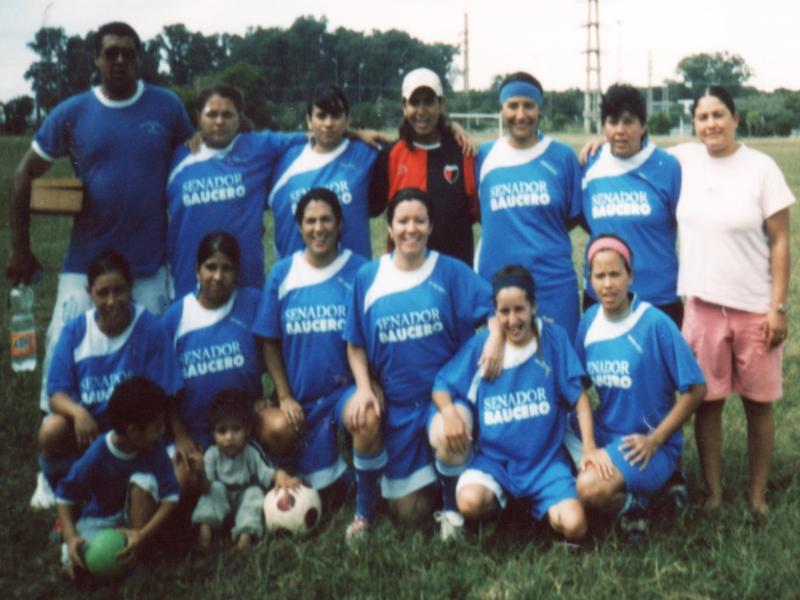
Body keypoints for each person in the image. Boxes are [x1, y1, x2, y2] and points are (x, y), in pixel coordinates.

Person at [8, 22, 193, 422]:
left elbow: (197, 160)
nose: (120, 60)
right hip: (85, 264)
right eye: (111, 53)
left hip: (148, 265)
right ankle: (58, 443)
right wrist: (20, 249)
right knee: (64, 357)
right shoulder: (73, 112)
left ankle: (154, 440)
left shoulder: (167, 107)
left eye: (129, 53)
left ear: (140, 58)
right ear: (96, 58)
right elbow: (23, 174)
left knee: (154, 361)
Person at [342, 187, 503, 540]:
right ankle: (365, 511)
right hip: (398, 407)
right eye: (403, 221)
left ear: (431, 226)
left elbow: (496, 305)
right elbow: (354, 343)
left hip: (443, 400)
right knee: (410, 514)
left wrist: (494, 335)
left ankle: (451, 510)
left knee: (449, 433)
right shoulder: (369, 277)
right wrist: (365, 388)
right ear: (389, 228)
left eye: (419, 221)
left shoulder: (450, 271)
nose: (411, 229)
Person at [671, 86, 794, 514]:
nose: (711, 124)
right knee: (707, 402)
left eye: (719, 114)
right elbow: (633, 151)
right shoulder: (683, 160)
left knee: (759, 404)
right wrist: (595, 144)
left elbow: (781, 242)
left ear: (736, 118)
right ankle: (714, 493)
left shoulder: (762, 168)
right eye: (703, 117)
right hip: (702, 306)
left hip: (755, 308)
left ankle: (757, 495)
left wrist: (778, 307)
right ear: (694, 124)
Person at [431, 265, 594, 543]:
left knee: (576, 525)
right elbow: (441, 385)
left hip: (544, 463)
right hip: (496, 462)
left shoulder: (553, 339)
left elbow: (579, 397)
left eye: (519, 309)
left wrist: (589, 447)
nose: (513, 319)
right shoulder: (483, 346)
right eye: (504, 312)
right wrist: (449, 413)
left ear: (533, 307)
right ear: (495, 313)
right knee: (469, 501)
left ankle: (539, 503)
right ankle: (506, 505)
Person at [572, 236, 706, 539]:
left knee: (588, 488)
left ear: (630, 276)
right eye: (599, 276)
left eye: (615, 274)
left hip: (644, 444)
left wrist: (655, 440)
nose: (608, 284)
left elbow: (697, 388)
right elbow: (578, 386)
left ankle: (635, 503)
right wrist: (589, 445)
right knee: (548, 431)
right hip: (606, 433)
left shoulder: (655, 323)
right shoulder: (589, 321)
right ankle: (633, 490)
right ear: (589, 281)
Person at [37, 251, 182, 500]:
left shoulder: (150, 328)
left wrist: (166, 433)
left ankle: (129, 491)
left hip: (137, 436)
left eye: (119, 290)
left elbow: (167, 394)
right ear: (89, 292)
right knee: (52, 429)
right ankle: (66, 493)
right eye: (102, 293)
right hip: (91, 436)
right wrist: (78, 413)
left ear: (130, 287)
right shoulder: (75, 332)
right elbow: (55, 395)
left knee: (179, 479)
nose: (112, 301)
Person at [252, 188, 367, 496]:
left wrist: (369, 386)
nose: (319, 228)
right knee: (281, 433)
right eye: (310, 221)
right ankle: (295, 467)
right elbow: (269, 340)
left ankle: (366, 481)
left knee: (365, 414)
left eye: (326, 219)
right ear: (299, 226)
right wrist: (285, 396)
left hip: (344, 394)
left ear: (340, 224)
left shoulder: (360, 271)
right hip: (302, 400)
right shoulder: (283, 274)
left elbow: (372, 339)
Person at [165, 84, 307, 298]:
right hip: (189, 286)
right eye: (212, 114)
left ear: (239, 118)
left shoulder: (258, 146)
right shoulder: (176, 158)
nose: (219, 121)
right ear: (198, 117)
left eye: (227, 115)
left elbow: (314, 136)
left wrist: (353, 133)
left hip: (246, 286)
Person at [475, 72, 582, 339]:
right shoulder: (483, 156)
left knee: (558, 359)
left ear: (539, 109)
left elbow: (570, 217)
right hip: (500, 288)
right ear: (501, 109)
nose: (521, 115)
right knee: (506, 362)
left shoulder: (563, 156)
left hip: (553, 285)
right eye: (513, 106)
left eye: (528, 105)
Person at [162, 232, 263, 495]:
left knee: (279, 428)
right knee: (182, 479)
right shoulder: (176, 317)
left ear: (237, 273)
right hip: (194, 432)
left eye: (227, 268)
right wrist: (179, 433)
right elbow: (163, 386)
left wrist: (274, 397)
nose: (218, 276)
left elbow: (277, 351)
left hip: (242, 429)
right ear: (197, 270)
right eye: (210, 267)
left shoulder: (252, 303)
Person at [56, 377, 180, 579]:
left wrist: (142, 535)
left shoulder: (155, 448)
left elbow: (171, 497)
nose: (162, 432)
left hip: (137, 517)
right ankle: (70, 546)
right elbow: (64, 496)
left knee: (144, 481)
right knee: (77, 558)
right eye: (157, 427)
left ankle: (137, 556)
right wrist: (70, 537)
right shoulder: (97, 453)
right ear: (133, 432)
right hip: (100, 518)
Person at [580, 83, 683, 325]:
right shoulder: (589, 163)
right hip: (603, 299)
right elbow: (584, 219)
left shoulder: (667, 166)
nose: (620, 130)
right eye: (612, 122)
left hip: (658, 298)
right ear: (603, 126)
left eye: (628, 121)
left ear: (643, 125)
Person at [368, 68, 478, 265]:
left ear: (441, 104)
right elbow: (371, 208)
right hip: (405, 273)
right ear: (404, 106)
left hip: (455, 271)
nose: (421, 111)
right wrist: (355, 133)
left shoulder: (462, 151)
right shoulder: (390, 155)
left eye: (428, 102)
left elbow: (477, 212)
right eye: (414, 102)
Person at [267, 86, 378, 259]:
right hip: (297, 273)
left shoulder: (365, 152)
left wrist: (357, 134)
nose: (328, 123)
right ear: (309, 121)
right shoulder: (283, 161)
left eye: (336, 116)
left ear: (347, 119)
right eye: (321, 116)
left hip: (353, 272)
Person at [192, 389, 297, 554]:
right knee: (214, 490)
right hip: (221, 501)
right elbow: (205, 487)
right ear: (213, 433)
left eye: (236, 429)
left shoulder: (251, 451)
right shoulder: (212, 454)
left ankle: (244, 538)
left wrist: (280, 475)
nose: (229, 437)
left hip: (243, 499)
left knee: (254, 492)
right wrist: (200, 472)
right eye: (222, 431)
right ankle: (204, 538)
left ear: (247, 430)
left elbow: (265, 472)